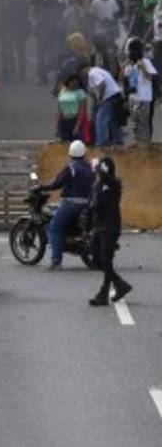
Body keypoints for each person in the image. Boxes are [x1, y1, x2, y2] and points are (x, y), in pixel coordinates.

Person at [38, 140, 95, 269]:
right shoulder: (90, 166)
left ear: (70, 153)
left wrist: (44, 187)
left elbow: (58, 183)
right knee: (71, 225)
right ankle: (74, 239)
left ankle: (56, 262)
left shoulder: (71, 167)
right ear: (84, 153)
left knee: (54, 228)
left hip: (71, 203)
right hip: (87, 203)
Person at [88, 157, 132, 306]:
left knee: (106, 260)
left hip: (110, 227)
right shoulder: (98, 185)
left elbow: (99, 201)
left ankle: (103, 293)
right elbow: (92, 206)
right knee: (96, 260)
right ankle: (120, 284)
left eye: (99, 169)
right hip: (98, 226)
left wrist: (103, 172)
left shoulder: (113, 185)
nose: (97, 172)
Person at [124, 38, 156, 144]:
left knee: (143, 124)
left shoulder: (145, 62)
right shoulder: (129, 64)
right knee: (135, 124)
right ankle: (138, 144)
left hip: (143, 98)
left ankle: (145, 145)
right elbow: (124, 78)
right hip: (133, 98)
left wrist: (142, 67)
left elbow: (150, 77)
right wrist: (125, 65)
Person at [85, 62, 124, 147]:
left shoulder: (92, 72)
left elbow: (102, 84)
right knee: (113, 120)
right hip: (116, 95)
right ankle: (118, 141)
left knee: (100, 120)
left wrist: (100, 98)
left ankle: (102, 143)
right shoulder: (99, 70)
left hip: (109, 97)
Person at [55, 74, 90, 143]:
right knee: (64, 142)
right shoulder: (62, 91)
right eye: (73, 83)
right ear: (68, 82)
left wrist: (77, 126)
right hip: (64, 120)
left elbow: (82, 111)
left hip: (75, 119)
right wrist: (57, 126)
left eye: (76, 83)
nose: (74, 85)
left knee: (76, 143)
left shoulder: (80, 93)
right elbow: (59, 109)